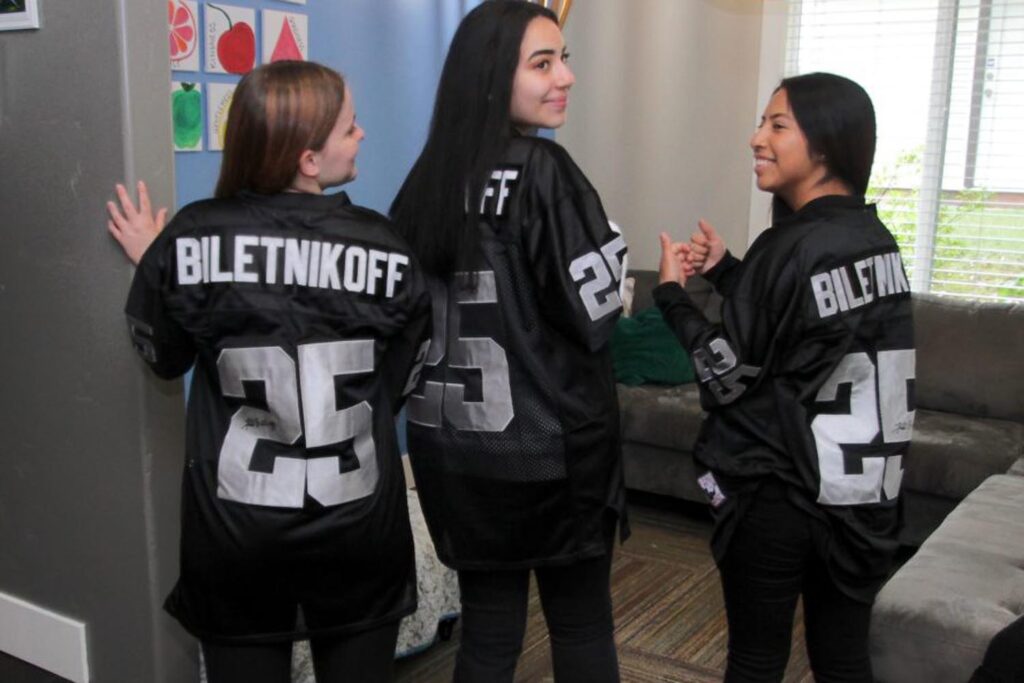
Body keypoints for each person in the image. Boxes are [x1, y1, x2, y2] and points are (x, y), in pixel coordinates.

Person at [107, 61, 431, 683]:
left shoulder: (190, 238)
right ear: (309, 159)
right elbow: (402, 375)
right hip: (358, 523)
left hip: (236, 530)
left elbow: (164, 356)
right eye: (350, 127)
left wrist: (158, 260)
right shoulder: (385, 244)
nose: (362, 135)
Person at [389, 2, 628, 681]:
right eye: (543, 63)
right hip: (551, 453)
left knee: (489, 636)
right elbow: (596, 314)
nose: (566, 78)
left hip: (455, 453)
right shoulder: (544, 173)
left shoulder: (425, 179)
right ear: (495, 76)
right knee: (581, 626)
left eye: (565, 58)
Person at [656, 72, 915, 682]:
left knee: (755, 660)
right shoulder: (874, 238)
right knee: (844, 659)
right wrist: (726, 273)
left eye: (777, 125)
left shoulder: (792, 246)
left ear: (824, 143)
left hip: (783, 493)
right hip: (862, 499)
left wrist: (672, 295)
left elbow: (725, 372)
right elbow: (806, 327)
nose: (756, 139)